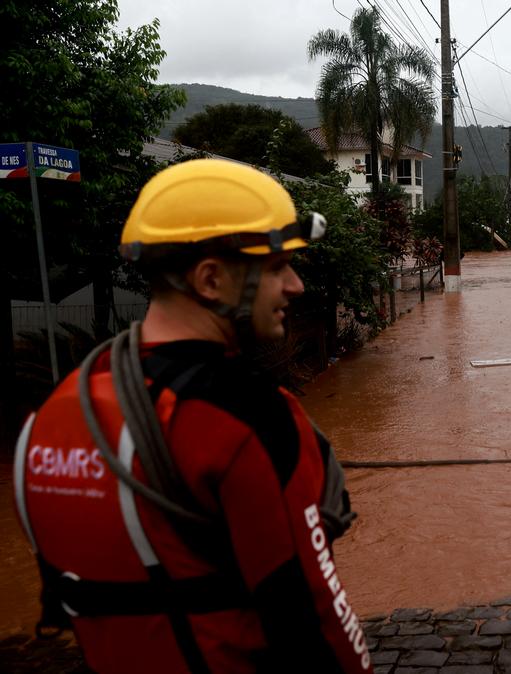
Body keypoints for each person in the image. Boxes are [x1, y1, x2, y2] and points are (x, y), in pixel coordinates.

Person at [13, 159, 370, 673]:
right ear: (210, 279)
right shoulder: (244, 419)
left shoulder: (55, 413)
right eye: (276, 267)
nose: (295, 286)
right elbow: (314, 620)